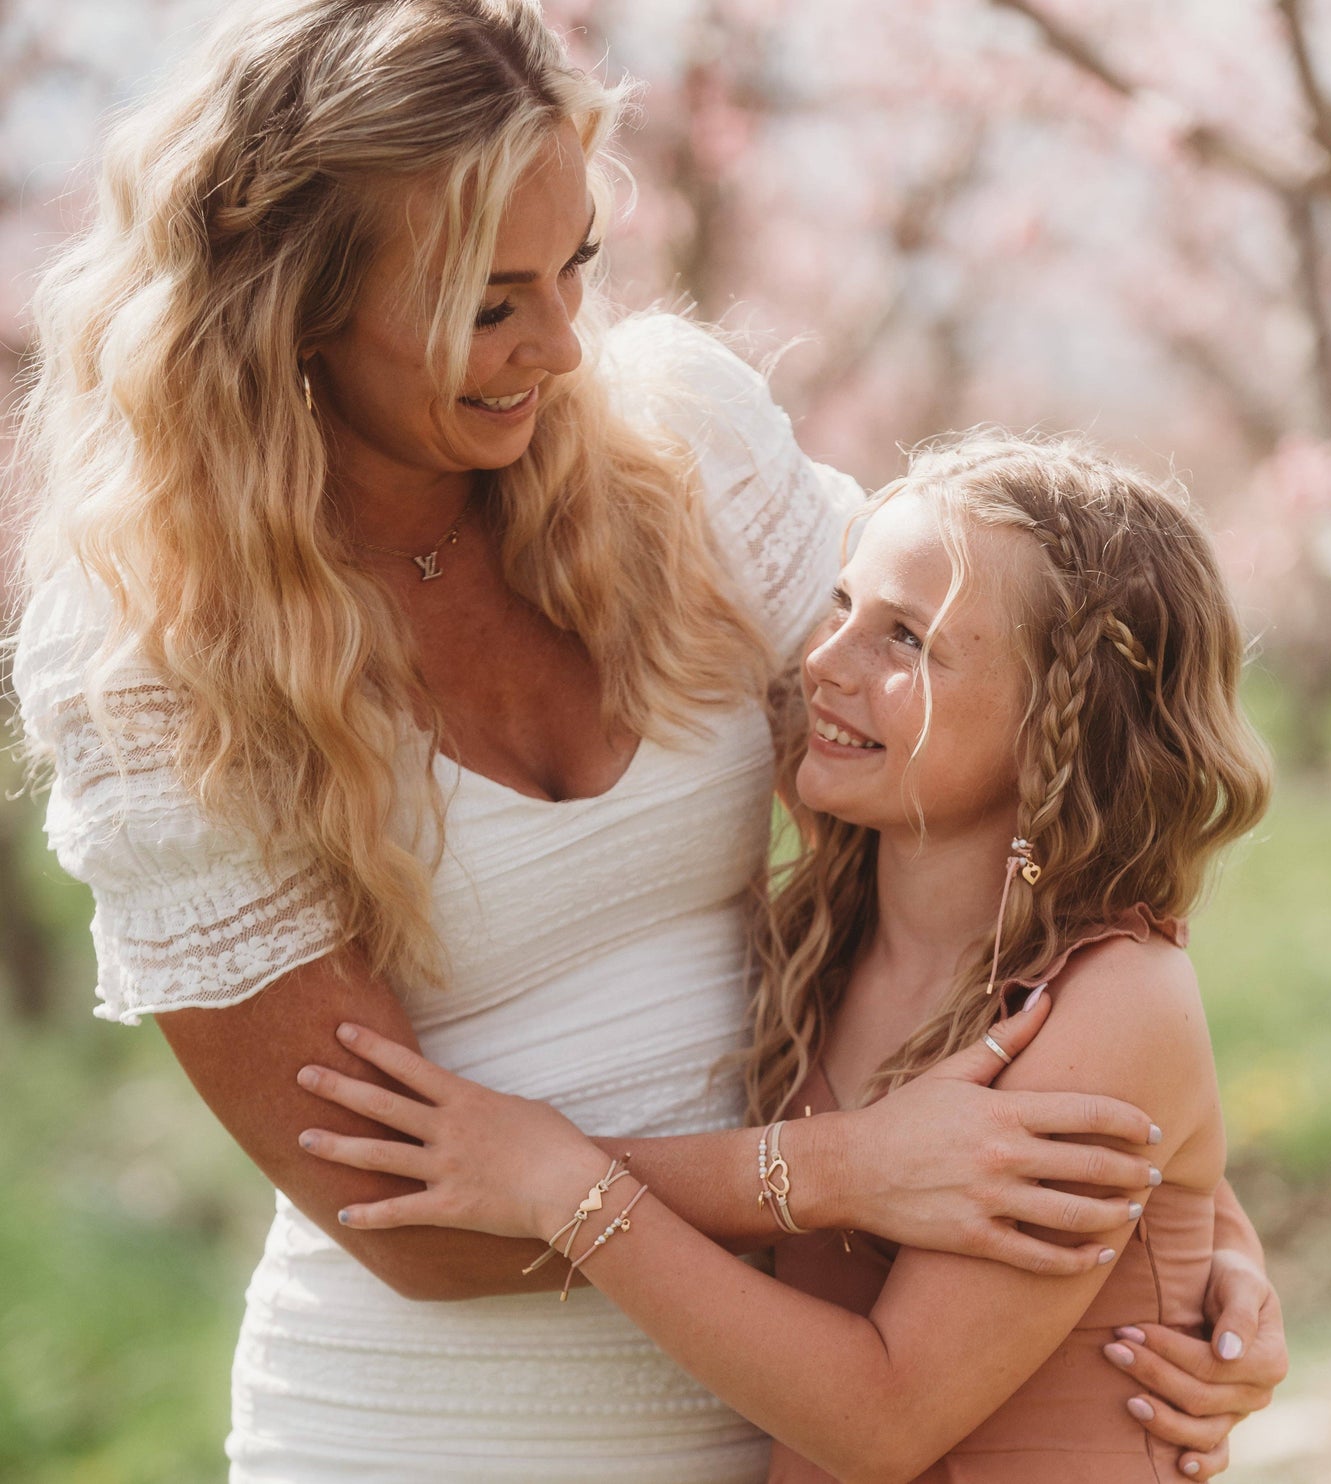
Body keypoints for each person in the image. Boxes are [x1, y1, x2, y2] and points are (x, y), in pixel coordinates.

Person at [8, 2, 1284, 1479]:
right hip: (428, 1427)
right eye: (490, 304)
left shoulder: (682, 448)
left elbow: (1003, 763)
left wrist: (1183, 1213)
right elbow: (400, 1213)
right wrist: (838, 1171)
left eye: (577, 270)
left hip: (793, 1398)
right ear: (297, 307)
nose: (559, 346)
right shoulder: (160, 661)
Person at [296, 432, 1278, 1481]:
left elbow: (881, 1418)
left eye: (904, 639)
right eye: (842, 604)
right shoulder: (830, 926)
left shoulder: (1112, 993)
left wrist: (564, 1182)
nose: (821, 660)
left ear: (1058, 729)